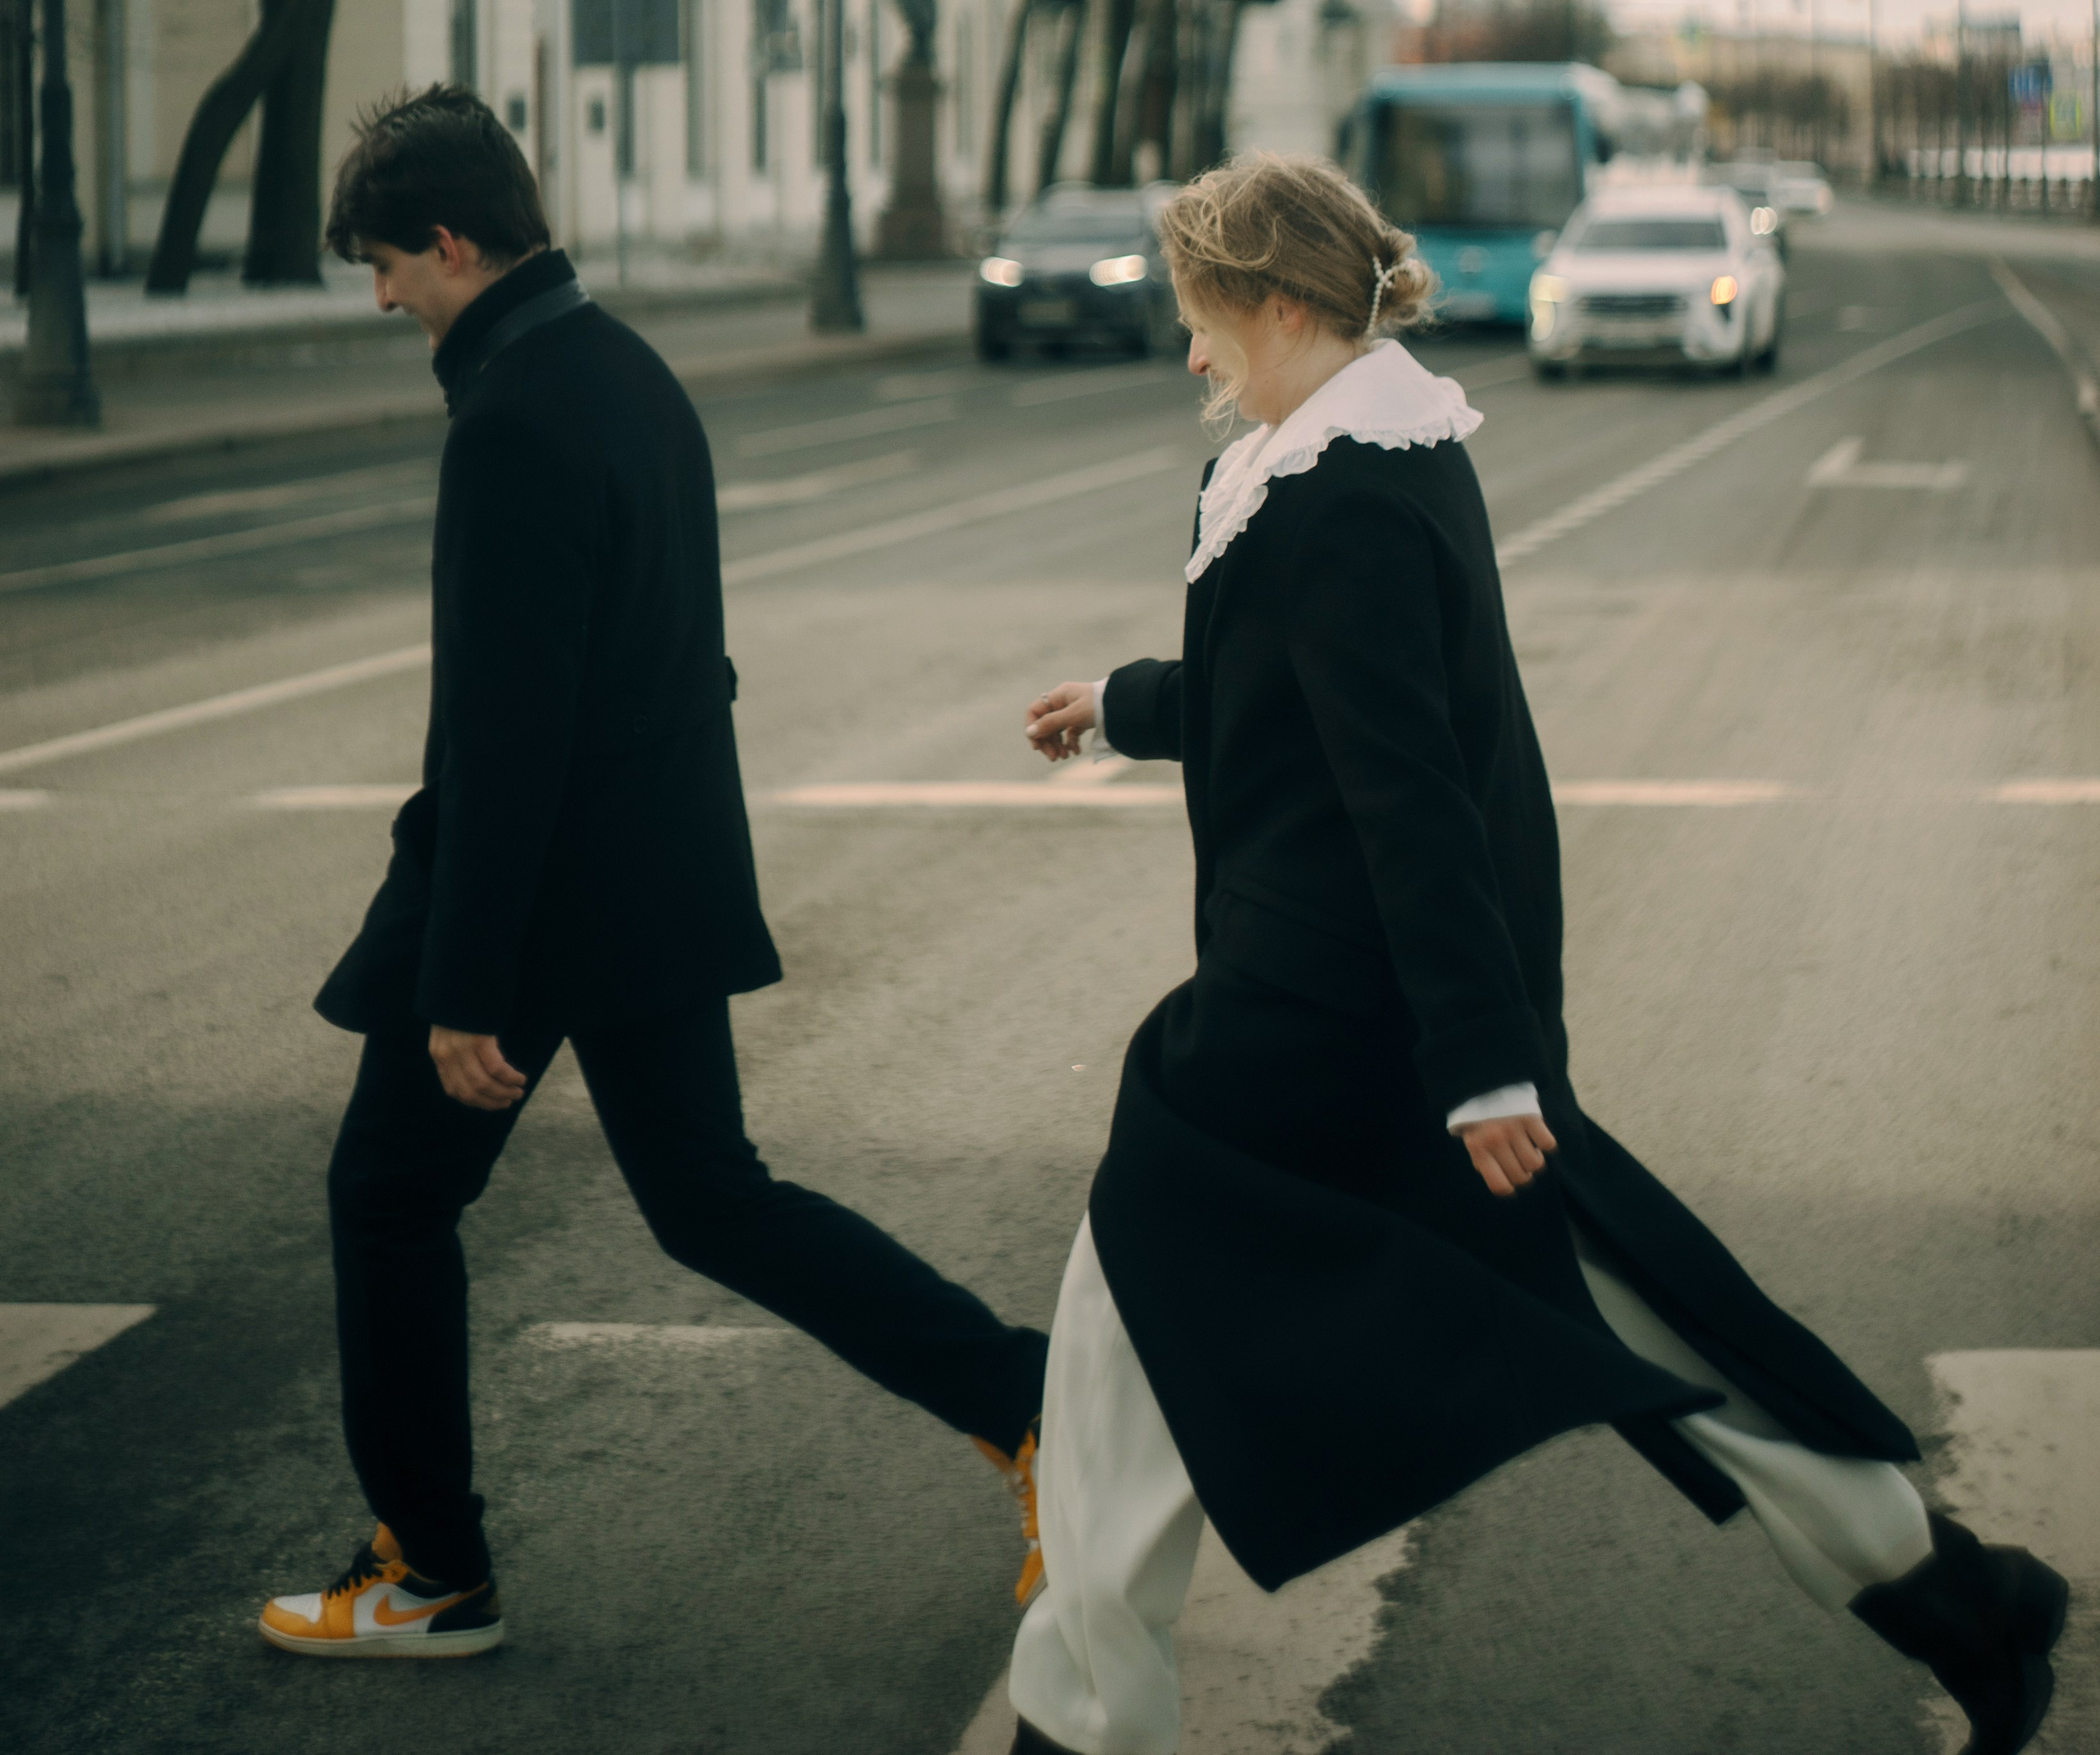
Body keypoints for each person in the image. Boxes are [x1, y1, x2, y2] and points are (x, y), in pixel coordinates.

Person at [1003, 151, 2067, 1755]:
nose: (1188, 349)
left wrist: (1481, 1062)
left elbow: (1411, 793)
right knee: (1628, 1324)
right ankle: (1953, 1594)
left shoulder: (1341, 494)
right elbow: (1275, 684)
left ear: (1280, 303)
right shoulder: (1340, 452)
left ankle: (1077, 1725)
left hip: (1317, 1040)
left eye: (1201, 315)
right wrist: (1121, 700)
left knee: (1120, 1340)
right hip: (1352, 1030)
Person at [260, 86, 1044, 1659]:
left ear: (454, 240)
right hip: (647, 879)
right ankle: (1031, 1410)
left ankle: (430, 1574)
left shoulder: (515, 419)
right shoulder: (623, 370)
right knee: (712, 1203)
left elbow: (508, 726)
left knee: (389, 1198)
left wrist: (467, 974)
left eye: (388, 264)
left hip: (547, 891)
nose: (381, 297)